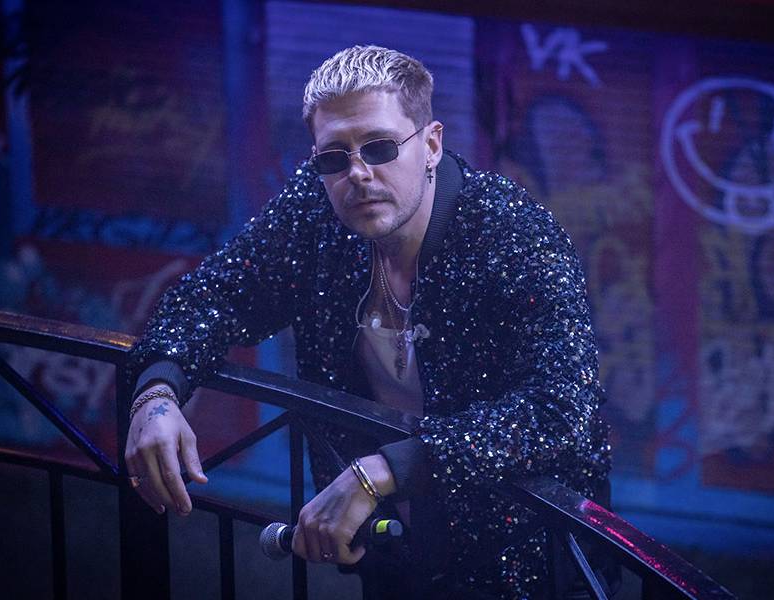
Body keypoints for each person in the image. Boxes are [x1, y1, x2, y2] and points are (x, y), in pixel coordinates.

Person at [125, 45, 612, 599]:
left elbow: (559, 409)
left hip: (532, 564)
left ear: (431, 144)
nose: (357, 173)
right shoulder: (317, 212)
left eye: (380, 147)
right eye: (334, 156)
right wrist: (157, 393)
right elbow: (214, 296)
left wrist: (382, 471)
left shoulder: (512, 234)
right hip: (392, 551)